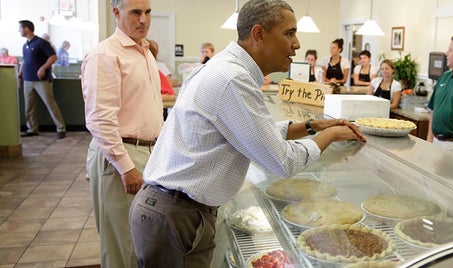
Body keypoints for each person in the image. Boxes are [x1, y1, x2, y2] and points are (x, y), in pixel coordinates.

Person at [128, 0, 365, 266]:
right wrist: (332, 135)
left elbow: (249, 135)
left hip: (170, 211)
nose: (297, 44)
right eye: (289, 33)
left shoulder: (226, 69)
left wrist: (311, 126)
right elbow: (283, 161)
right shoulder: (233, 79)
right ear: (259, 34)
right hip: (177, 215)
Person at [81, 0, 163, 266]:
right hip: (120, 154)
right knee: (120, 243)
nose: (143, 20)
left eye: (148, 12)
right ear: (116, 13)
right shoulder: (105, 54)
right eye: (136, 13)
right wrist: (125, 167)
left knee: (141, 238)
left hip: (147, 152)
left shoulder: (145, 51)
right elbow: (100, 119)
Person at [18, 20, 66, 139]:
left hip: (42, 81)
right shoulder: (25, 45)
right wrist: (19, 75)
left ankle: (61, 128)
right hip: (27, 80)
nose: (19, 30)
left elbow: (54, 57)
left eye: (20, 28)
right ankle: (32, 128)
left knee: (50, 103)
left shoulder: (41, 42)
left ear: (26, 29)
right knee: (29, 106)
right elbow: (24, 61)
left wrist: (43, 68)